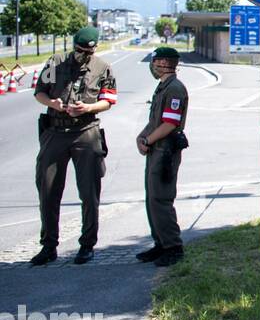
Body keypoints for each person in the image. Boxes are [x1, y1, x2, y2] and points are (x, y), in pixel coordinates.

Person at [31, 26, 117, 266]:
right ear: (73, 46)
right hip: (55, 131)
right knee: (48, 190)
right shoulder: (55, 63)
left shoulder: (103, 68)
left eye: (88, 52)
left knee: (89, 192)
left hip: (86, 131)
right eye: (79, 51)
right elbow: (39, 93)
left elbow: (109, 100)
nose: (83, 56)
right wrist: (54, 104)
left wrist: (88, 108)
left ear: (95, 49)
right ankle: (49, 246)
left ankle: (87, 245)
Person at [136, 46, 189, 267]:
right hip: (155, 148)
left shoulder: (175, 88)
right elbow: (155, 120)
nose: (153, 65)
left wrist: (149, 140)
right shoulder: (163, 87)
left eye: (156, 61)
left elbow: (170, 123)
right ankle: (160, 243)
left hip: (165, 150)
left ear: (164, 63)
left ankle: (173, 246)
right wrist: (143, 136)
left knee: (161, 198)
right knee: (152, 198)